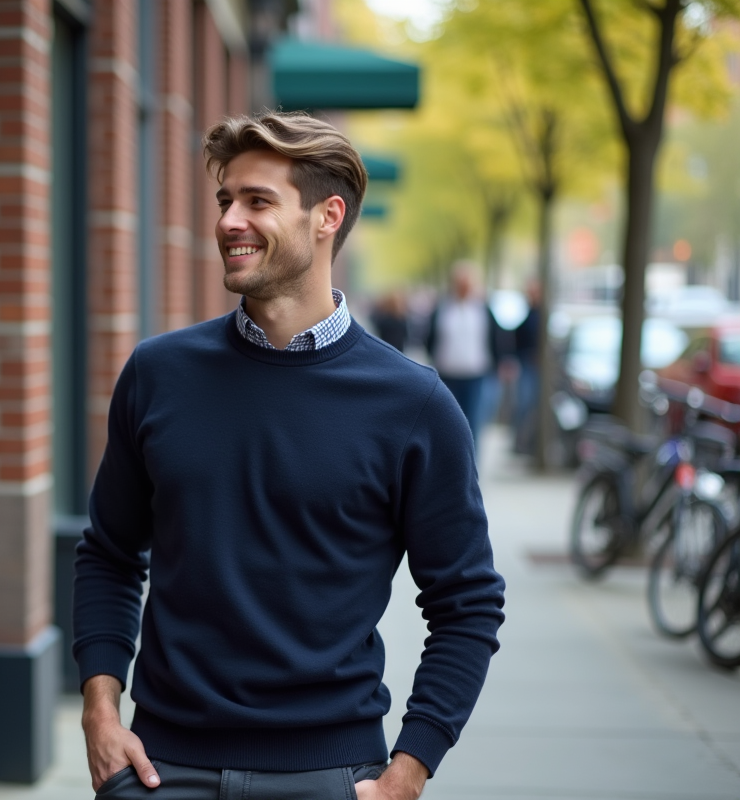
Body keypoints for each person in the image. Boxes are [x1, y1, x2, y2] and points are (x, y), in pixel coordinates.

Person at [73, 111, 505, 800]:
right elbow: (110, 553)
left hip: (332, 775)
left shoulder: (413, 405)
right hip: (161, 768)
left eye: (258, 201)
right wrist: (99, 709)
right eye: (225, 200)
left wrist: (408, 770)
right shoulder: (158, 374)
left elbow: (466, 604)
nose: (228, 221)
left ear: (327, 216)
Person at [425, 263, 505, 449]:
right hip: (447, 374)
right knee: (448, 422)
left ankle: (472, 465)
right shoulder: (443, 308)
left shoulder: (482, 309)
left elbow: (496, 337)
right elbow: (431, 337)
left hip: (476, 375)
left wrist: (499, 363)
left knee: (474, 422)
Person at [512, 278, 542, 455]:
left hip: (533, 365)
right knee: (525, 403)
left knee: (530, 403)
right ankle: (521, 443)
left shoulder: (538, 313)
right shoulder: (531, 313)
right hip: (528, 364)